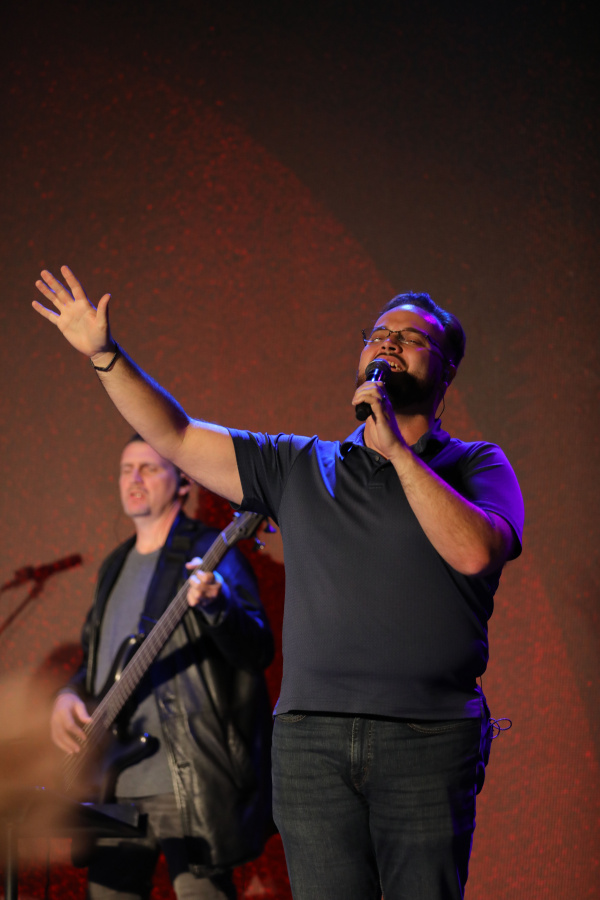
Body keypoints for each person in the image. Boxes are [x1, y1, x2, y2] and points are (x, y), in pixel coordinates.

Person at [34, 266, 524, 900]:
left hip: (427, 739)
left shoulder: (477, 464)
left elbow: (476, 552)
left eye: (410, 338)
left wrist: (398, 452)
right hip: (310, 743)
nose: (388, 343)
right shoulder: (298, 465)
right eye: (378, 334)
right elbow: (177, 436)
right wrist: (105, 356)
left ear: (447, 372)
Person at [49, 432, 274, 900]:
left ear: (183, 482)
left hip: (187, 781)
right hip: (114, 783)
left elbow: (257, 651)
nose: (134, 479)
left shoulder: (211, 550)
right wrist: (68, 695)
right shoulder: (114, 564)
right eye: (126, 470)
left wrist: (217, 605)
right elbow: (96, 661)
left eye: (149, 468)